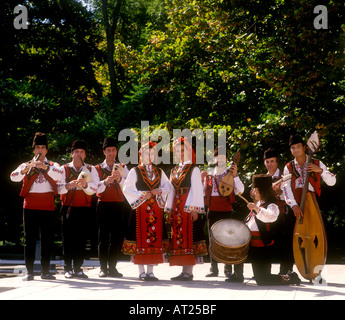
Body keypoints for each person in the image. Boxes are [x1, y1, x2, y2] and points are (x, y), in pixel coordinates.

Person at [10, 132, 64, 281]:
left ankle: (45, 271)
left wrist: (45, 167)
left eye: (43, 147)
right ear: (34, 150)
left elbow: (60, 175)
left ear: (46, 150)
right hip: (30, 206)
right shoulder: (26, 165)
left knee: (47, 239)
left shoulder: (53, 165)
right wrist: (24, 170)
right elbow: (13, 177)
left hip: (47, 206)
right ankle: (29, 272)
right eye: (37, 147)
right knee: (29, 240)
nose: (40, 150)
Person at [122, 141, 172, 281]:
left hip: (155, 210)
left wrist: (159, 191)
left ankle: (150, 271)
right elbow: (127, 189)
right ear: (140, 155)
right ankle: (141, 271)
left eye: (151, 153)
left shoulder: (159, 172)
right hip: (140, 210)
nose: (149, 156)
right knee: (141, 239)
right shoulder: (134, 171)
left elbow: (168, 187)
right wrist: (144, 194)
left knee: (154, 239)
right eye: (146, 153)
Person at [165, 137, 207, 281]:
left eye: (183, 150)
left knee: (189, 236)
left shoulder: (193, 169)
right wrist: (169, 209)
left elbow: (197, 189)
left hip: (187, 205)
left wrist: (194, 208)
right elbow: (171, 190)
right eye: (178, 151)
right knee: (179, 236)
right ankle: (184, 271)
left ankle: (188, 271)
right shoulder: (175, 169)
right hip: (177, 205)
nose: (180, 153)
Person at [246, 174, 301, 286]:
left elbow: (271, 217)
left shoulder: (271, 204)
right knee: (260, 278)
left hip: (264, 247)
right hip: (255, 246)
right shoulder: (259, 203)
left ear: (262, 190)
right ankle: (288, 277)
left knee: (263, 279)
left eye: (256, 190)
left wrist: (256, 208)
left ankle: (290, 278)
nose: (254, 192)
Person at [57, 140, 99, 279]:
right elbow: (58, 187)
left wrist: (85, 185)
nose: (78, 154)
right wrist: (68, 186)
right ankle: (67, 268)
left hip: (84, 208)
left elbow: (95, 188)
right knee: (68, 239)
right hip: (68, 208)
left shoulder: (91, 169)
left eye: (81, 152)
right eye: (76, 152)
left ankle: (78, 268)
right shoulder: (64, 168)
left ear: (85, 155)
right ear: (72, 154)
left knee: (81, 239)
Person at [202, 146, 245, 282]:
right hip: (212, 210)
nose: (219, 159)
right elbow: (203, 192)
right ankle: (213, 269)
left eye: (222, 157)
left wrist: (236, 176)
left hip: (226, 210)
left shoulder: (231, 173)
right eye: (217, 156)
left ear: (226, 159)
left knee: (227, 240)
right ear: (214, 159)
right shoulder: (209, 174)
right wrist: (200, 179)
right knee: (212, 240)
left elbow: (240, 190)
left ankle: (228, 269)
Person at [95, 137, 129, 278]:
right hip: (103, 204)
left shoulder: (122, 167)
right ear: (104, 152)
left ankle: (113, 267)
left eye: (113, 150)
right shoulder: (96, 168)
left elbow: (129, 186)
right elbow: (94, 187)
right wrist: (105, 181)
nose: (111, 153)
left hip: (118, 204)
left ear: (116, 152)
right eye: (108, 150)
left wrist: (120, 179)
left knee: (116, 237)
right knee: (103, 237)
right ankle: (103, 268)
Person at [282, 134, 336, 219]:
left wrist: (320, 171)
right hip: (296, 204)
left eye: (298, 146)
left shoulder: (317, 163)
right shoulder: (288, 167)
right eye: (293, 148)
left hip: (314, 202)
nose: (296, 150)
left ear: (304, 148)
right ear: (290, 150)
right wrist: (293, 205)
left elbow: (332, 182)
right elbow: (286, 187)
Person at [262, 148, 292, 274]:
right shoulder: (262, 178)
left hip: (281, 214)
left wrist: (280, 192)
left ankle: (285, 272)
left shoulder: (284, 177)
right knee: (265, 244)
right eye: (267, 161)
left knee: (283, 244)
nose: (270, 164)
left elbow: (290, 196)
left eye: (272, 161)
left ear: (277, 162)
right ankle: (264, 272)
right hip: (266, 216)